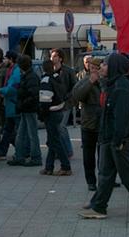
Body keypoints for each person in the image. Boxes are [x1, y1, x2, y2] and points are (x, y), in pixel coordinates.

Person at [79, 54, 129, 222]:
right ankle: (99, 206)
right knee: (106, 174)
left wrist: (118, 140)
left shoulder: (121, 88)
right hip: (109, 137)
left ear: (114, 67)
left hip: (117, 139)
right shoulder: (112, 85)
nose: (101, 67)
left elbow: (122, 118)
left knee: (128, 173)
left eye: (105, 65)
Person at [71, 56, 102, 190]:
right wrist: (90, 82)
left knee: (104, 156)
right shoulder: (84, 80)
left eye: (97, 68)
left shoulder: (106, 82)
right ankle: (91, 181)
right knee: (89, 156)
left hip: (103, 123)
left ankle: (105, 179)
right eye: (92, 68)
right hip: (88, 123)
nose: (94, 71)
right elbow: (77, 96)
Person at [7, 55, 42, 167]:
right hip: (25, 109)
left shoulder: (31, 77)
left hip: (29, 109)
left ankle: (36, 157)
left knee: (32, 134)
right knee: (20, 134)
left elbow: (34, 94)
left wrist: (22, 103)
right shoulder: (27, 75)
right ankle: (20, 156)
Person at [39, 59, 72, 176]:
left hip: (51, 112)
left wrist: (42, 114)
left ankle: (65, 166)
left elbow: (44, 101)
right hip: (59, 110)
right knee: (52, 140)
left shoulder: (46, 80)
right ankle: (49, 167)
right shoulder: (58, 78)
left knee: (55, 141)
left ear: (43, 68)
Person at [0, 51, 20, 158]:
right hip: (9, 105)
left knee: (16, 131)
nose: (4, 61)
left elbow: (12, 88)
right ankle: (2, 151)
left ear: (11, 59)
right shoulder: (10, 70)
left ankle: (22, 151)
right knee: (8, 130)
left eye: (5, 59)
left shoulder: (16, 71)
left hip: (14, 105)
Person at [50, 49, 76, 157]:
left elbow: (74, 87)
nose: (52, 58)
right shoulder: (50, 71)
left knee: (61, 127)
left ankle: (68, 151)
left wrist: (67, 97)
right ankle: (59, 151)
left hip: (65, 103)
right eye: (51, 56)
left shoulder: (68, 71)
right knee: (56, 128)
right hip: (53, 103)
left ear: (60, 58)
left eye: (55, 56)